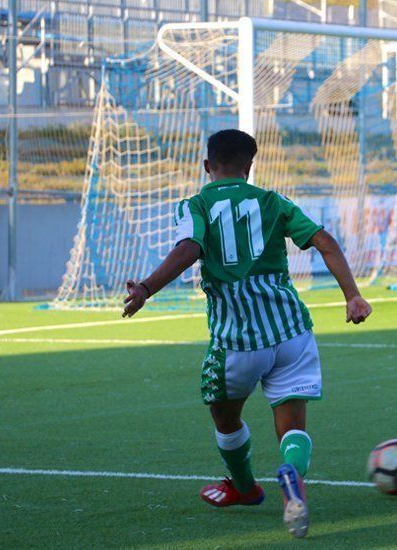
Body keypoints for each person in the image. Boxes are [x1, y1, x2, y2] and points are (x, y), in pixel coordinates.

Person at [122, 129, 372, 538]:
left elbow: (190, 248)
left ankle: (243, 486)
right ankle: (291, 474)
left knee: (225, 417)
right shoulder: (273, 200)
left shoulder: (196, 203)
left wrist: (147, 288)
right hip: (291, 331)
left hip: (236, 340)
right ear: (249, 166)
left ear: (207, 166)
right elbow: (324, 241)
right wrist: (353, 296)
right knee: (292, 424)